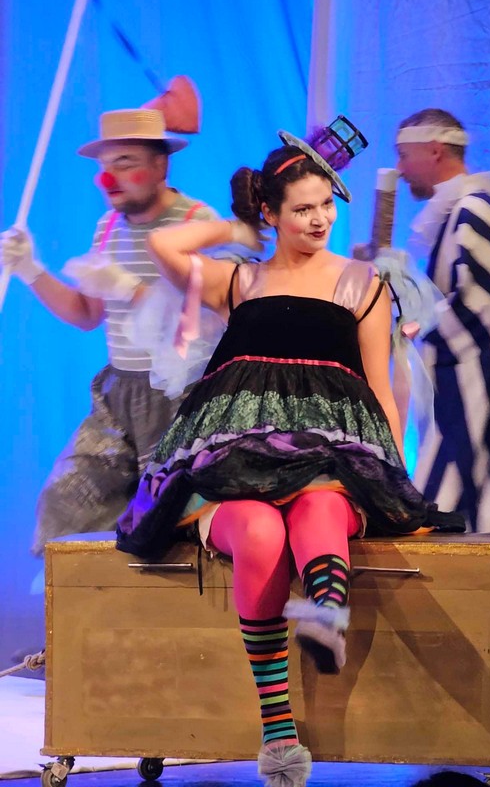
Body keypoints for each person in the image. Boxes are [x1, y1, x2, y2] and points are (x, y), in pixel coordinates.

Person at [116, 116, 465, 787]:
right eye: (302, 209)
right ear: (272, 214)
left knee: (320, 508)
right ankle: (278, 729)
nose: (320, 219)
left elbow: (379, 386)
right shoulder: (239, 282)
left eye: (326, 204)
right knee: (257, 531)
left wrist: (390, 472)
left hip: (327, 457)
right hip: (235, 460)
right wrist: (234, 228)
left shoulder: (361, 283)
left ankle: (327, 609)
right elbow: (165, 243)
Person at [0, 108, 218, 556]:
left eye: (124, 162)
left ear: (160, 165)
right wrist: (29, 269)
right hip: (119, 398)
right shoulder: (108, 228)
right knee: (65, 502)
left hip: (181, 398)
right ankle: (77, 595)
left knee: (170, 521)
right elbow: (85, 314)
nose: (109, 178)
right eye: (104, 166)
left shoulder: (197, 223)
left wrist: (129, 289)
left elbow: (211, 319)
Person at [395, 108, 490, 533]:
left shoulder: (473, 211)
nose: (400, 170)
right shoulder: (459, 212)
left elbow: (480, 309)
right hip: (457, 399)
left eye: (404, 155)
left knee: (463, 512)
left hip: (476, 405)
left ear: (435, 151)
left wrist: (415, 325)